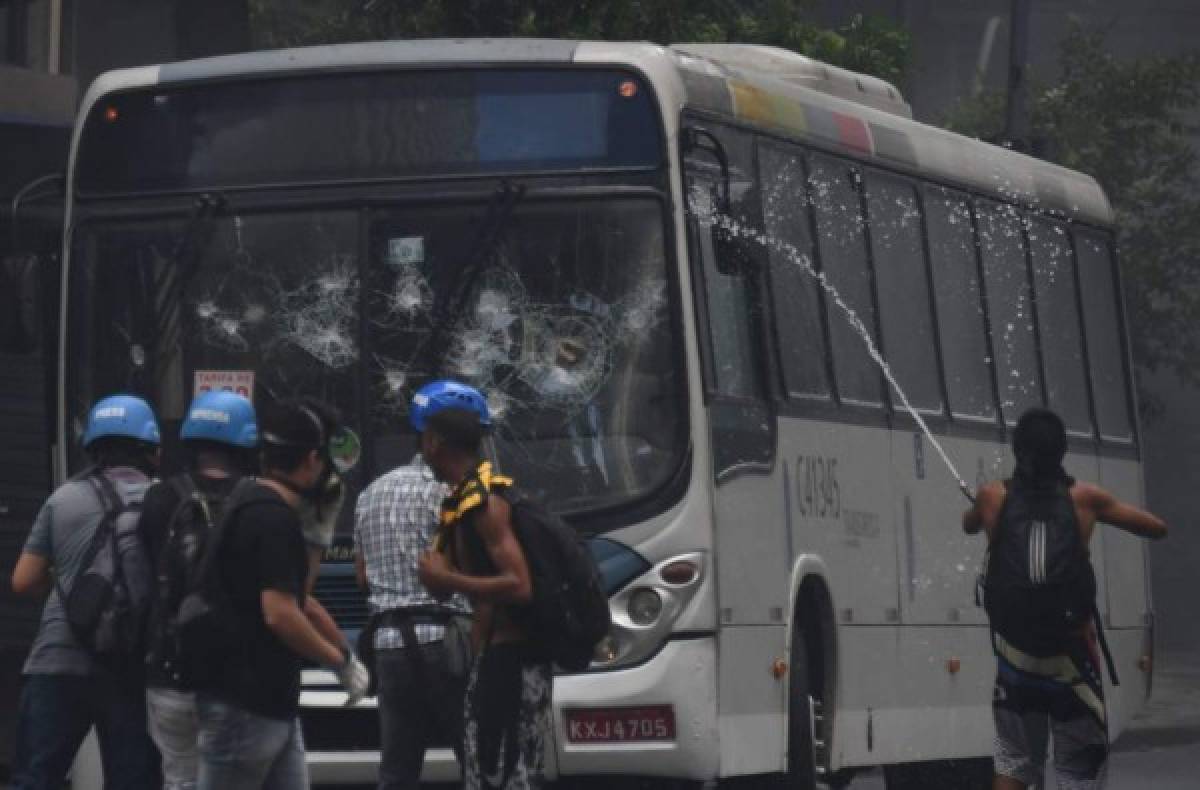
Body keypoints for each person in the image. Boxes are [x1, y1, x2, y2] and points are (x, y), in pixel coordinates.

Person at [963, 407, 1167, 790]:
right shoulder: (1086, 499)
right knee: (1078, 771)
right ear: (1062, 452)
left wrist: (976, 507)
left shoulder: (992, 496)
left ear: (1017, 449)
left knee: (1014, 761)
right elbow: (1157, 529)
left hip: (1015, 657)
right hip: (1072, 659)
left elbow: (968, 523)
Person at [194, 399, 368, 790]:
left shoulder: (251, 503)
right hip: (244, 704)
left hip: (271, 702)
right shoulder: (269, 519)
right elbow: (281, 613)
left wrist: (318, 536)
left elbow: (299, 597)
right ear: (310, 460)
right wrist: (337, 659)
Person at [10, 394, 163, 790]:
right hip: (129, 666)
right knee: (133, 779)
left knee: (36, 777)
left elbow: (23, 580)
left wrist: (71, 591)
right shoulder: (164, 501)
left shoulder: (62, 499)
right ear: (151, 450)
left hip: (57, 659)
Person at [415, 380, 551, 790]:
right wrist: (441, 580)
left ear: (436, 441)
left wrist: (449, 578)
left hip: (511, 663)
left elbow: (519, 584)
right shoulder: (459, 501)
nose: (421, 448)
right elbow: (457, 583)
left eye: (423, 438)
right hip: (489, 660)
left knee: (505, 776)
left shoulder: (487, 505)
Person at [138, 390, 259, 790]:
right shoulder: (257, 500)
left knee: (180, 777)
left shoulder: (160, 497)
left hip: (169, 669)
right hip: (234, 675)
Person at [353, 388, 470, 789]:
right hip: (449, 640)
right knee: (476, 759)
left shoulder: (370, 494)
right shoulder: (452, 491)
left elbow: (362, 577)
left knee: (398, 773)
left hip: (389, 646)